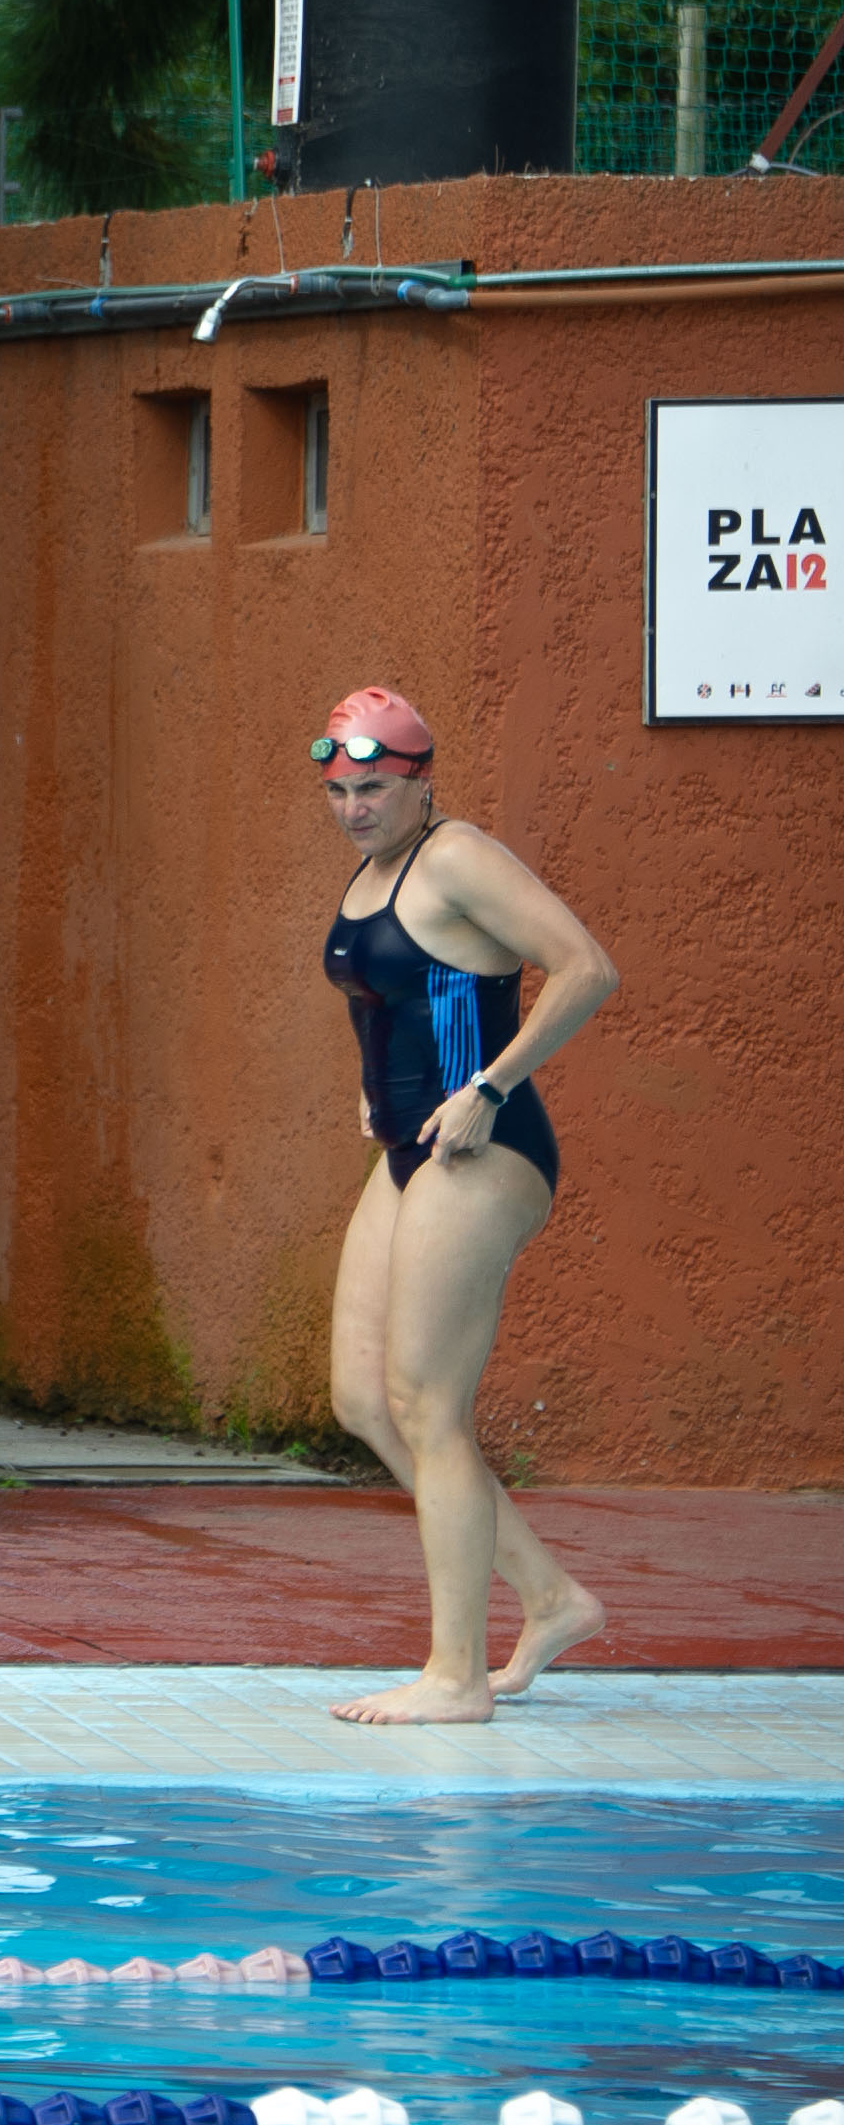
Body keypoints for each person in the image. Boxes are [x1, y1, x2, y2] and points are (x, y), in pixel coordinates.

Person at [311, 686, 615, 1725]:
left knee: (428, 1404)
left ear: (420, 782)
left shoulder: (456, 856)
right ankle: (551, 1597)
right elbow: (395, 995)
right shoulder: (374, 870)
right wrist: (373, 1088)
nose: (354, 809)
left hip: (484, 1148)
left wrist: (489, 1084)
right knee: (363, 1400)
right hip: (410, 1150)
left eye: (372, 790)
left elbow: (586, 968)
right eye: (339, 793)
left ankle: (457, 1677)